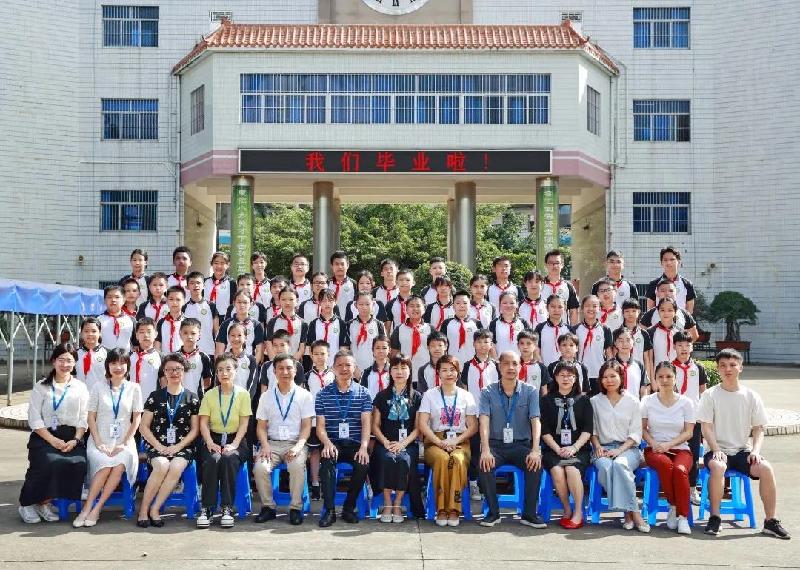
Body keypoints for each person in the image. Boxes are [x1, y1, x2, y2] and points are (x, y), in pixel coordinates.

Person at [698, 349, 790, 539]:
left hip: (742, 451)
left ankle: (770, 521)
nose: (728, 369)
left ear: (740, 367)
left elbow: (759, 428)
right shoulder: (710, 394)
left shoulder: (751, 396)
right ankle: (715, 518)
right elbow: (706, 427)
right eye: (723, 365)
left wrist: (755, 450)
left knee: (766, 468)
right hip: (717, 450)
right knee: (718, 466)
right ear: (718, 369)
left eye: (732, 365)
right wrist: (716, 449)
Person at [18, 343, 89, 524]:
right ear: (53, 361)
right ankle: (27, 504)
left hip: (72, 437)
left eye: (69, 360)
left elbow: (83, 418)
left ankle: (44, 503)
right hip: (45, 435)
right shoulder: (41, 386)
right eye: (61, 360)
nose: (65, 364)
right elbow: (34, 418)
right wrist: (53, 440)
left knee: (79, 463)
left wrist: (76, 440)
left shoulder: (80, 387)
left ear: (75, 363)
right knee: (48, 462)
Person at [75, 348, 144, 528]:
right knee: (105, 465)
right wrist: (98, 442)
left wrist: (124, 443)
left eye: (122, 363)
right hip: (100, 439)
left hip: (124, 441)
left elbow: (137, 419)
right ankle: (87, 508)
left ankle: (96, 508)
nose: (118, 367)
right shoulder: (98, 387)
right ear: (107, 366)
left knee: (120, 463)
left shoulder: (134, 388)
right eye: (113, 363)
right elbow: (91, 417)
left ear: (128, 365)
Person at [478, 351, 546, 528]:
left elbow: (535, 420)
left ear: (520, 366)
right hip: (495, 445)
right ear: (499, 367)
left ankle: (529, 514)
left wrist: (535, 450)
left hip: (520, 445)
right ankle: (493, 513)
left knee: (535, 465)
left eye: (515, 364)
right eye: (506, 364)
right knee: (484, 464)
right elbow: (484, 420)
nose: (510, 367)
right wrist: (485, 449)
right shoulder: (487, 392)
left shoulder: (530, 391)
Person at [136, 353, 200, 527]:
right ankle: (143, 510)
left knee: (176, 466)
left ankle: (155, 509)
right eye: (169, 369)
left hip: (183, 446)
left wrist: (177, 447)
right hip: (157, 445)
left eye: (178, 369)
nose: (174, 373)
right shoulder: (154, 396)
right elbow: (143, 427)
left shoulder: (192, 398)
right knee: (162, 465)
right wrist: (159, 446)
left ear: (184, 371)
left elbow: (195, 430)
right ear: (164, 372)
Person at [253, 354, 314, 526]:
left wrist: (298, 447)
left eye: (289, 368)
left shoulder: (304, 395)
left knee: (296, 466)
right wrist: (265, 445)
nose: (285, 372)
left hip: (295, 443)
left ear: (295, 370)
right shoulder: (266, 396)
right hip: (271, 444)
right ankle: (268, 507)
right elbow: (261, 427)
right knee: (260, 468)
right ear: (274, 371)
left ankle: (295, 508)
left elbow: (306, 427)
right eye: (281, 368)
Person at [418, 355, 478, 527]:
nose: (449, 373)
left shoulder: (466, 396)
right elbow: (422, 424)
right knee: (443, 459)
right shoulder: (430, 395)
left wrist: (456, 440)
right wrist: (439, 442)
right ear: (438, 373)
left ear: (458, 372)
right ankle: (441, 509)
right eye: (444, 370)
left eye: (452, 370)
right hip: (435, 441)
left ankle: (454, 509)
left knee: (457, 459)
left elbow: (473, 426)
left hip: (460, 441)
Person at [590, 360, 649, 533]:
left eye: (613, 376)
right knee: (606, 467)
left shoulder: (632, 401)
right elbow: (592, 430)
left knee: (620, 464)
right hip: (602, 448)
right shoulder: (594, 401)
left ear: (621, 377)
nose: (609, 380)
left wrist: (620, 450)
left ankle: (631, 513)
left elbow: (636, 432)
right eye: (605, 377)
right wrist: (598, 446)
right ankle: (632, 511)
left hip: (628, 448)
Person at [315, 350, 373, 527]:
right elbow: (320, 427)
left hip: (355, 443)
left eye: (348, 365)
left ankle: (349, 507)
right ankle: (329, 510)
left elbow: (366, 424)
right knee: (327, 461)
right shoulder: (322, 394)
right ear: (333, 368)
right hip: (333, 443)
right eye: (339, 365)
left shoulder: (364, 393)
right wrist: (327, 443)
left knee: (363, 463)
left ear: (354, 367)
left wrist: (364, 447)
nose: (344, 368)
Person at [197, 354, 252, 528]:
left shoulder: (243, 394)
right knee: (212, 459)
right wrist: (209, 442)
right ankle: (207, 508)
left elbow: (244, 424)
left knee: (229, 458)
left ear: (235, 371)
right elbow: (203, 423)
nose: (224, 373)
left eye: (228, 369)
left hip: (236, 439)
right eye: (220, 370)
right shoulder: (209, 395)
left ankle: (227, 508)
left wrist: (234, 444)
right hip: (213, 438)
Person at [641, 361, 695, 535]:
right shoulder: (647, 401)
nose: (664, 380)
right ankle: (673, 506)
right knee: (665, 465)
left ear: (675, 378)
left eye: (669, 376)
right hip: (655, 449)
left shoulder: (686, 402)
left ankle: (683, 518)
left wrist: (669, 445)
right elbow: (642, 429)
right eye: (660, 377)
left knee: (680, 470)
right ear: (655, 379)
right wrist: (654, 443)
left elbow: (689, 432)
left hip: (681, 449)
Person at [371, 354, 425, 523]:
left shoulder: (417, 397)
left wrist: (403, 444)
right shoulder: (381, 396)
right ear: (390, 371)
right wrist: (386, 442)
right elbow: (375, 426)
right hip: (385, 443)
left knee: (403, 460)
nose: (399, 372)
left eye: (403, 367)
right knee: (387, 459)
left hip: (408, 444)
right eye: (395, 368)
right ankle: (387, 503)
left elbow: (418, 428)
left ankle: (398, 504)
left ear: (410, 371)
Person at [540, 361, 593, 529]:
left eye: (570, 375)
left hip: (578, 449)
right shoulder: (546, 400)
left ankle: (578, 511)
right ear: (555, 378)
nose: (565, 378)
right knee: (557, 470)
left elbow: (588, 429)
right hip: (553, 449)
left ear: (576, 378)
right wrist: (558, 449)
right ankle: (567, 509)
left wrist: (574, 448)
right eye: (561, 375)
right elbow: (544, 430)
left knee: (571, 469)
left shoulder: (584, 400)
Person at [672, 331, 707, 504]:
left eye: (687, 345)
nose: (684, 349)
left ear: (692, 347)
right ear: (674, 347)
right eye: (680, 345)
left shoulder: (698, 368)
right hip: (674, 418)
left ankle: (692, 489)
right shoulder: (669, 368)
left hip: (693, 419)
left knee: (693, 454)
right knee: (674, 452)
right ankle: (672, 489)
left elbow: (703, 393)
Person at [304, 340, 335, 501]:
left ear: (328, 354)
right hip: (314, 420)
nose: (319, 357)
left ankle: (329, 484)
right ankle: (315, 483)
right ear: (311, 355)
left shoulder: (334, 374)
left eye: (322, 353)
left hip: (330, 420)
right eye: (316, 354)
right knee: (315, 451)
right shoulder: (307, 376)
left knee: (329, 451)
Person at [574, 295, 614, 396]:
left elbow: (609, 353)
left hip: (599, 374)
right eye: (587, 306)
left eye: (595, 306)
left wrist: (609, 373)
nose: (591, 309)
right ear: (582, 308)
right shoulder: (575, 329)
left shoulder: (605, 329)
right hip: (580, 375)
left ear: (599, 309)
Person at [216, 290, 266, 364]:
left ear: (251, 304)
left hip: (247, 365)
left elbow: (259, 350)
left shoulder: (256, 325)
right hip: (228, 365)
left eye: (245, 302)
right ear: (234, 303)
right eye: (239, 302)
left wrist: (252, 367)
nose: (242, 305)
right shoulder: (226, 324)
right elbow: (220, 350)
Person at [389, 296, 432, 380]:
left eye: (418, 306)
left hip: (426, 375)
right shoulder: (399, 329)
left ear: (424, 309)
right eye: (412, 306)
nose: (415, 309)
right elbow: (394, 354)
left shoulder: (430, 329)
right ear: (406, 309)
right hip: (405, 375)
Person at [645, 246, 696, 313]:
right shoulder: (653, 284)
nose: (668, 262)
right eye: (665, 260)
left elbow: (689, 312)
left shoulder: (687, 284)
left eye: (672, 259)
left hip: (680, 320)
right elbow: (650, 311)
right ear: (661, 263)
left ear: (679, 262)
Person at [346, 291, 386, 375]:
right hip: (354, 371)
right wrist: (354, 369)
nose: (364, 307)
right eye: (361, 304)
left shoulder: (379, 324)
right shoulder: (349, 325)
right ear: (356, 305)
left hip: (375, 370)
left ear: (373, 304)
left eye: (367, 304)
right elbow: (346, 349)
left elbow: (384, 348)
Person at [305, 290, 348, 368]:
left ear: (335, 302)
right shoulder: (313, 324)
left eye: (330, 300)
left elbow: (344, 348)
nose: (327, 304)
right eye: (324, 301)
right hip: (317, 367)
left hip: (336, 367)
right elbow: (309, 348)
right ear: (319, 303)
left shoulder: (341, 324)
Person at [441, 289, 482, 366]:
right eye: (458, 303)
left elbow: (481, 345)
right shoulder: (446, 323)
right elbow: (442, 345)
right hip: (452, 365)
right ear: (453, 306)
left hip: (473, 365)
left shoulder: (477, 323)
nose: (462, 305)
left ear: (470, 305)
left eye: (465, 303)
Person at [265, 287, 307, 362]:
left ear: (297, 301)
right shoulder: (272, 322)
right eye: (283, 299)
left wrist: (291, 363)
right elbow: (269, 345)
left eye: (291, 299)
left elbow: (302, 348)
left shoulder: (302, 323)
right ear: (279, 301)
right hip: (276, 363)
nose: (287, 303)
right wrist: (276, 363)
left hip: (294, 363)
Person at [186, 270, 221, 356]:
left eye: (198, 283)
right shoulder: (183, 308)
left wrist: (218, 351)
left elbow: (217, 331)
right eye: (192, 283)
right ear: (187, 287)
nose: (195, 285)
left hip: (209, 350)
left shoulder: (211, 306)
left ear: (204, 286)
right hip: (189, 352)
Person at [541, 249, 579, 325]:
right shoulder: (539, 285)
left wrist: (572, 330)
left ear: (562, 265)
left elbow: (573, 311)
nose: (554, 266)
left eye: (557, 263)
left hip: (563, 329)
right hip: (543, 329)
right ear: (546, 265)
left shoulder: (568, 286)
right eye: (551, 263)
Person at [611, 327, 650, 400]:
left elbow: (643, 389)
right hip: (615, 405)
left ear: (633, 342)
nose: (624, 344)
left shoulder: (639, 365)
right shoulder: (610, 365)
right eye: (621, 341)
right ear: (615, 343)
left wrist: (642, 403)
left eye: (628, 340)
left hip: (635, 405)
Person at [488, 291, 530, 356]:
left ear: (517, 304)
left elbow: (529, 343)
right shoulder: (494, 323)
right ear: (500, 305)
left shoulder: (523, 322)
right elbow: (491, 344)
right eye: (504, 303)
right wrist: (496, 360)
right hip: (500, 360)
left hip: (519, 360)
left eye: (512, 303)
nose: (508, 306)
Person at [97, 284, 136, 351]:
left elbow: (136, 343)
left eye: (117, 297)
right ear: (104, 300)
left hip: (125, 356)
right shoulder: (98, 320)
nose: (113, 300)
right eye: (109, 297)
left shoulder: (131, 320)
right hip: (103, 356)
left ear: (124, 300)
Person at [130, 318, 162, 398]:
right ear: (136, 335)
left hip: (152, 401)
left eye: (149, 331)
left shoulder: (161, 357)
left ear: (156, 334)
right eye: (141, 332)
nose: (146, 335)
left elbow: (164, 381)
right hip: (131, 400)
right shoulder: (129, 357)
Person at [533, 295, 567, 366]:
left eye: (560, 307)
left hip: (565, 370)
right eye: (553, 306)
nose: (556, 310)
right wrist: (542, 368)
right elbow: (536, 349)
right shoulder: (540, 328)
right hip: (545, 368)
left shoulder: (569, 329)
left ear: (565, 308)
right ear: (547, 308)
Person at [76, 317, 107, 391]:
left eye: (94, 331)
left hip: (100, 394)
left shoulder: (107, 353)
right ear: (81, 333)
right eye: (86, 331)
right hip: (79, 394)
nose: (90, 334)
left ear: (100, 333)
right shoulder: (75, 354)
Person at [203, 252, 235, 318]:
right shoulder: (204, 282)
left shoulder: (232, 283)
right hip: (206, 316)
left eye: (222, 263)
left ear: (228, 265)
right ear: (211, 264)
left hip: (225, 318)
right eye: (216, 263)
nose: (219, 266)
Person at [155, 286, 186, 353]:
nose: (174, 302)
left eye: (178, 299)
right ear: (167, 301)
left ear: (184, 301)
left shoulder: (187, 322)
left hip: (182, 358)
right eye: (171, 299)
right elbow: (158, 342)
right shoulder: (161, 322)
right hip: (165, 358)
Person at [383, 268, 414, 335]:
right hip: (397, 338)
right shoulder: (390, 304)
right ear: (396, 283)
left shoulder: (419, 302)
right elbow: (387, 328)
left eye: (408, 280)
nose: (404, 282)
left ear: (413, 283)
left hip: (416, 338)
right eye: (401, 280)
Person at [359, 335, 391, 399]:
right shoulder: (367, 372)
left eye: (384, 348)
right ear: (373, 350)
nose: (381, 351)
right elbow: (362, 395)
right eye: (377, 348)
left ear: (389, 350)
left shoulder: (393, 370)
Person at [328, 250, 357, 317]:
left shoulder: (354, 284)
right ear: (332, 266)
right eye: (336, 264)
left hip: (349, 320)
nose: (340, 267)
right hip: (329, 320)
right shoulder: (326, 283)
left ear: (347, 265)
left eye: (342, 264)